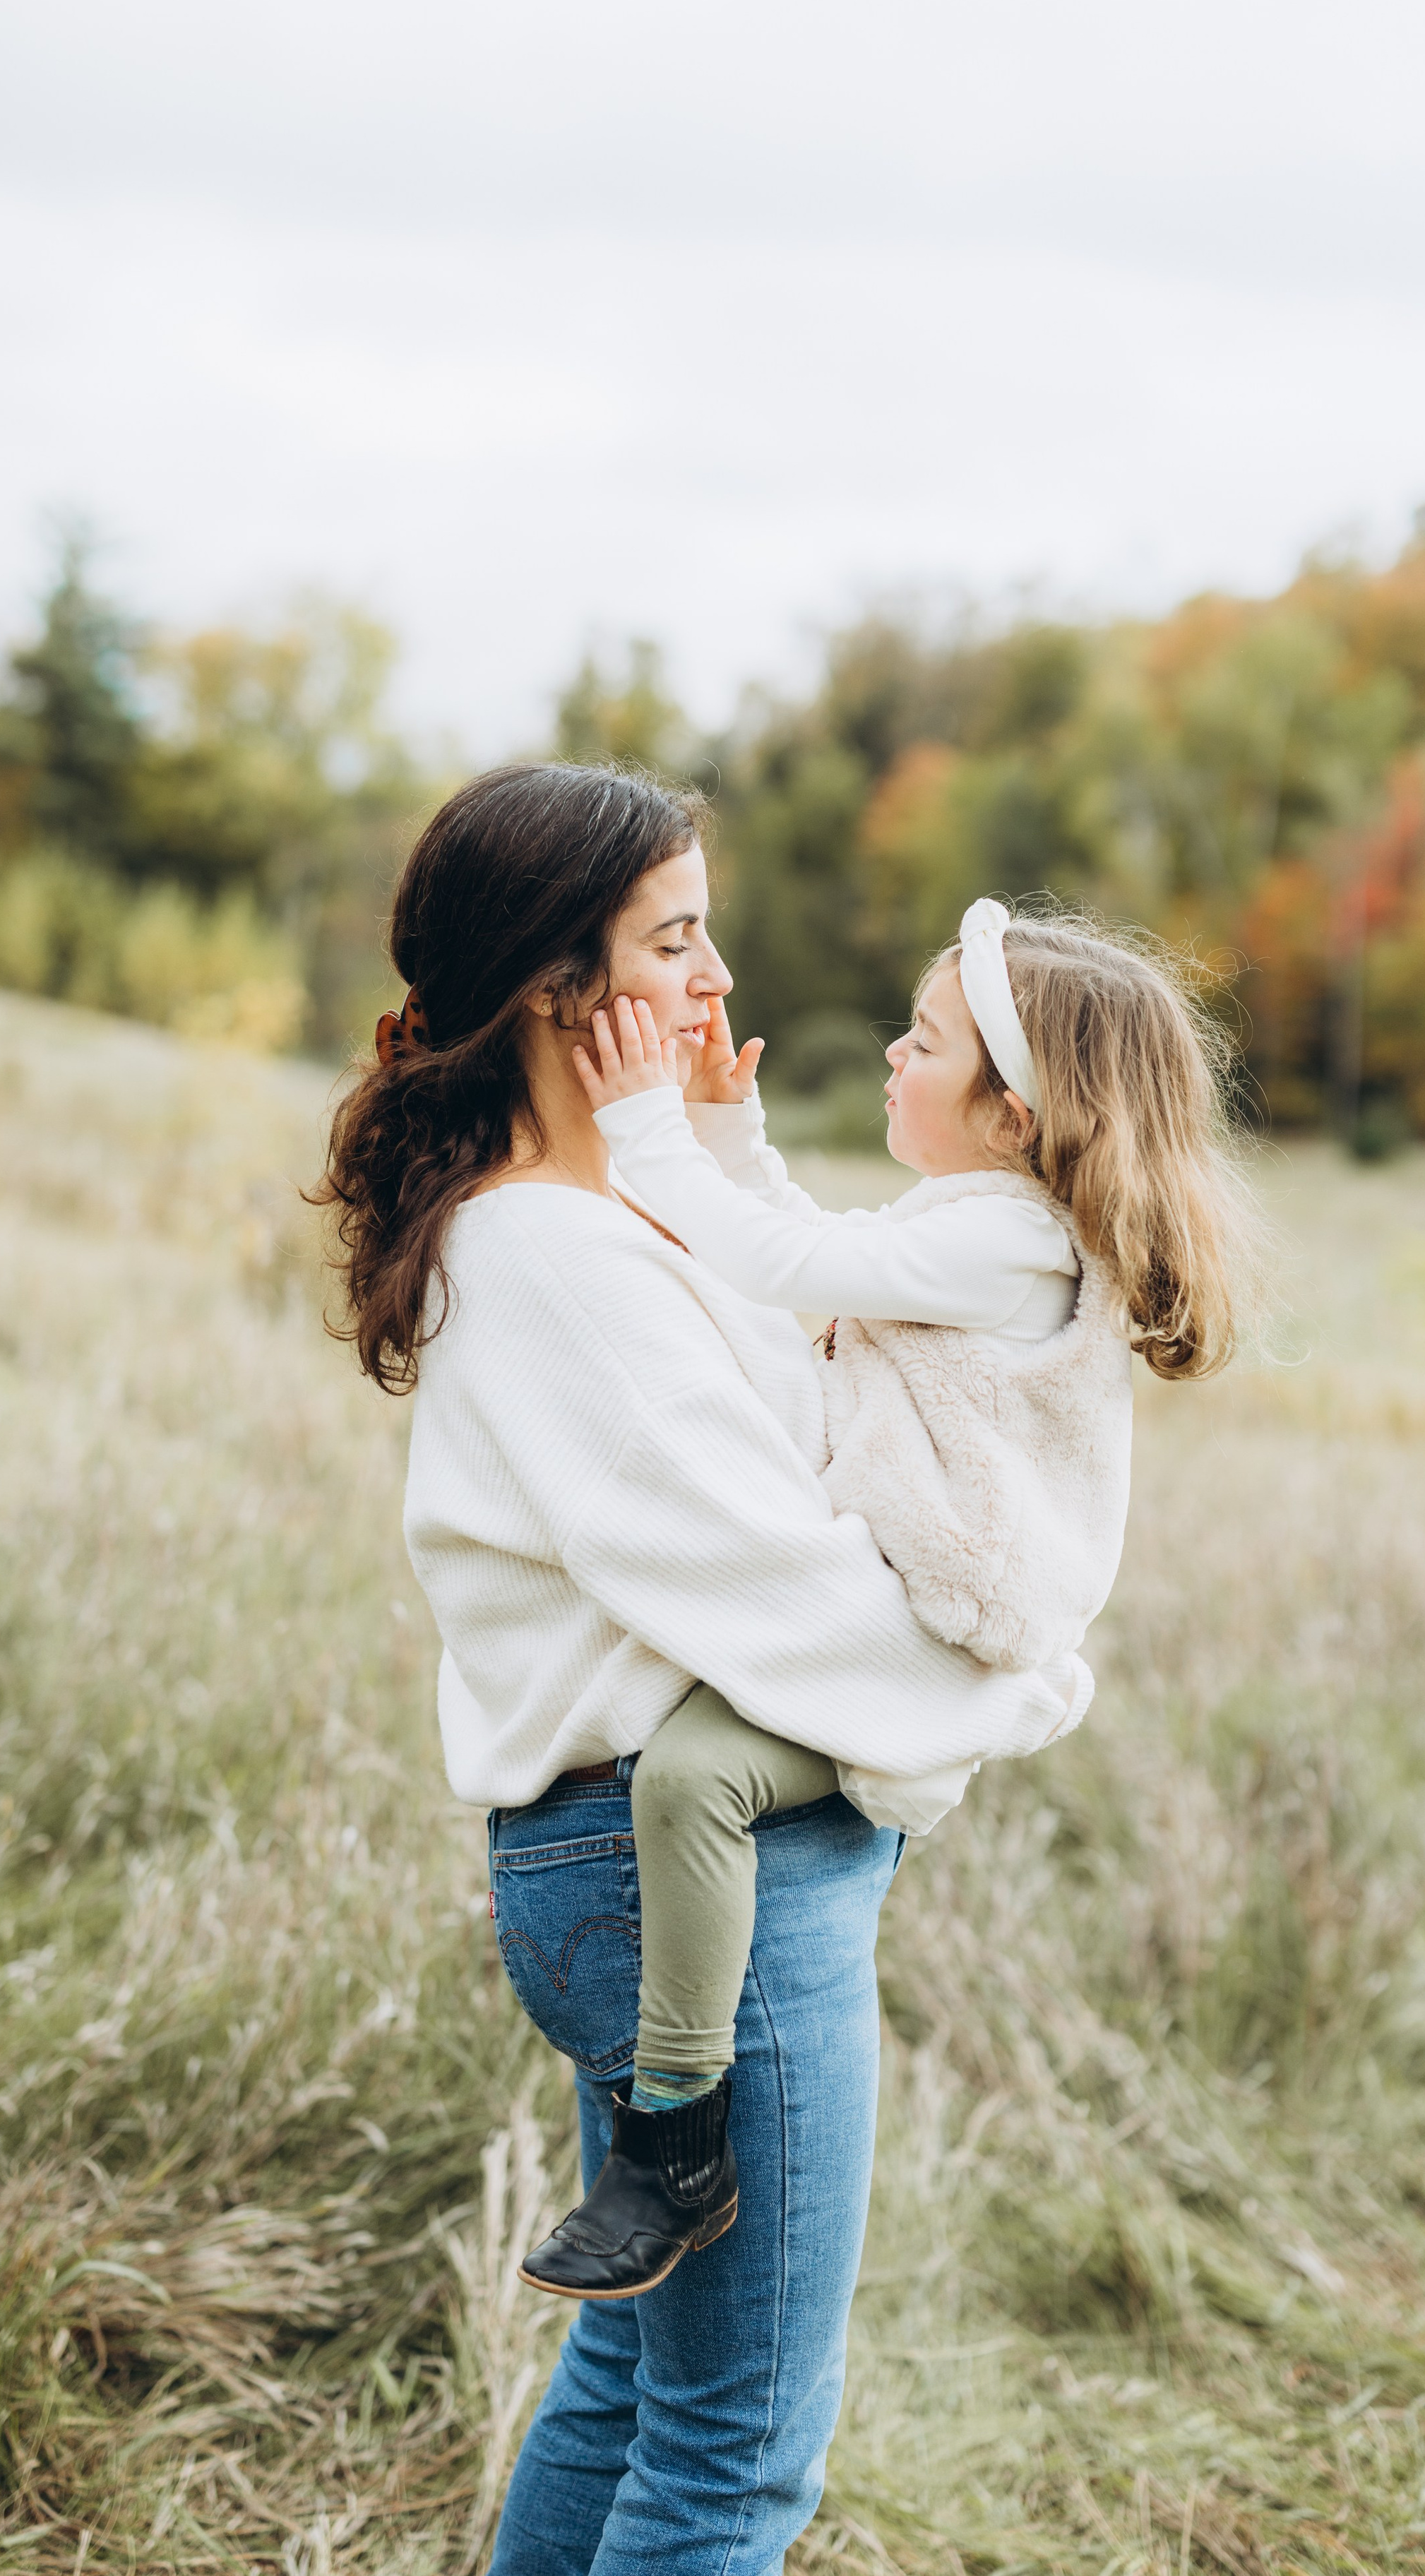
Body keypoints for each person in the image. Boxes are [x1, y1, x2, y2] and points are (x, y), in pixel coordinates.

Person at [313, 761, 1086, 2576]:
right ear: (563, 993)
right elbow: (794, 1596)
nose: (719, 966)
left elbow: (816, 1430)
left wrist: (717, 1149)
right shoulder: (552, 1253)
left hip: (671, 1855)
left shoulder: (608, 1211)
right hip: (690, 1867)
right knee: (739, 2447)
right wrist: (1024, 1682)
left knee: (645, 2387)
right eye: (676, 935)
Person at [525, 898, 1256, 2300]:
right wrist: (732, 1139)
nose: (889, 1055)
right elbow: (823, 1255)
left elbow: (796, 1270)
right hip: (909, 1613)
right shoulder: (980, 1226)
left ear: (1008, 1116)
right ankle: (672, 2118)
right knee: (684, 1758)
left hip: (934, 1639)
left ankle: (672, 2135)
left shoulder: (1008, 1245)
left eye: (922, 1042)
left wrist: (651, 1130)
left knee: (688, 1782)